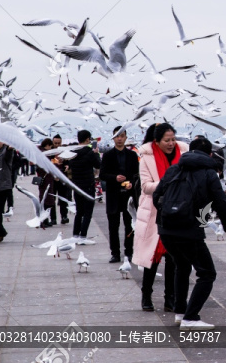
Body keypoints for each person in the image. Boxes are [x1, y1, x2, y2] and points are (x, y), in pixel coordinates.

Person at [153, 138, 226, 328]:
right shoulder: (209, 173)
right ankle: (190, 317)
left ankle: (180, 312)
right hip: (189, 230)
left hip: (166, 229)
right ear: (209, 154)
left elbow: (157, 196)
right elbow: (221, 202)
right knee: (207, 273)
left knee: (181, 266)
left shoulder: (174, 169)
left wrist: (169, 216)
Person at [133, 123, 187, 312]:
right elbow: (146, 186)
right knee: (152, 257)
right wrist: (169, 182)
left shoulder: (184, 154)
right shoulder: (146, 157)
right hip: (154, 211)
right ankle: (146, 295)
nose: (171, 143)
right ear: (156, 141)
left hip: (177, 211)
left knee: (174, 258)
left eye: (173, 139)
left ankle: (170, 298)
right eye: (167, 140)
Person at [101, 127, 139, 263]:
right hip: (113, 195)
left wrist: (131, 183)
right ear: (113, 138)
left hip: (128, 195)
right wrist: (114, 178)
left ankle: (129, 251)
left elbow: (137, 174)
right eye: (117, 136)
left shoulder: (132, 155)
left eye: (122, 136)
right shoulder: (108, 155)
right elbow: (102, 175)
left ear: (126, 137)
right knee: (113, 226)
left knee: (129, 225)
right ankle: (115, 253)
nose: (119, 138)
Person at [69, 130, 100, 240]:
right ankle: (83, 236)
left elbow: (71, 165)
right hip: (88, 184)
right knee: (87, 212)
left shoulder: (73, 152)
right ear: (87, 139)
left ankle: (75, 234)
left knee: (79, 211)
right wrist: (96, 153)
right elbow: (98, 165)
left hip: (77, 185)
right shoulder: (90, 151)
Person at [36, 139, 58, 229]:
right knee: (46, 200)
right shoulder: (44, 154)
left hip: (44, 180)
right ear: (48, 145)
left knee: (45, 199)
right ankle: (43, 221)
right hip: (46, 180)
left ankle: (45, 220)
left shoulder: (39, 152)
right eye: (51, 146)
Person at [53, 134, 71, 224]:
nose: (57, 145)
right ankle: (53, 218)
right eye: (55, 143)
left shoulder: (64, 152)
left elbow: (69, 161)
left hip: (62, 177)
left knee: (63, 198)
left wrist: (67, 165)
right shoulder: (50, 152)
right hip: (52, 178)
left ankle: (64, 216)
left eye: (59, 143)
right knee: (52, 199)